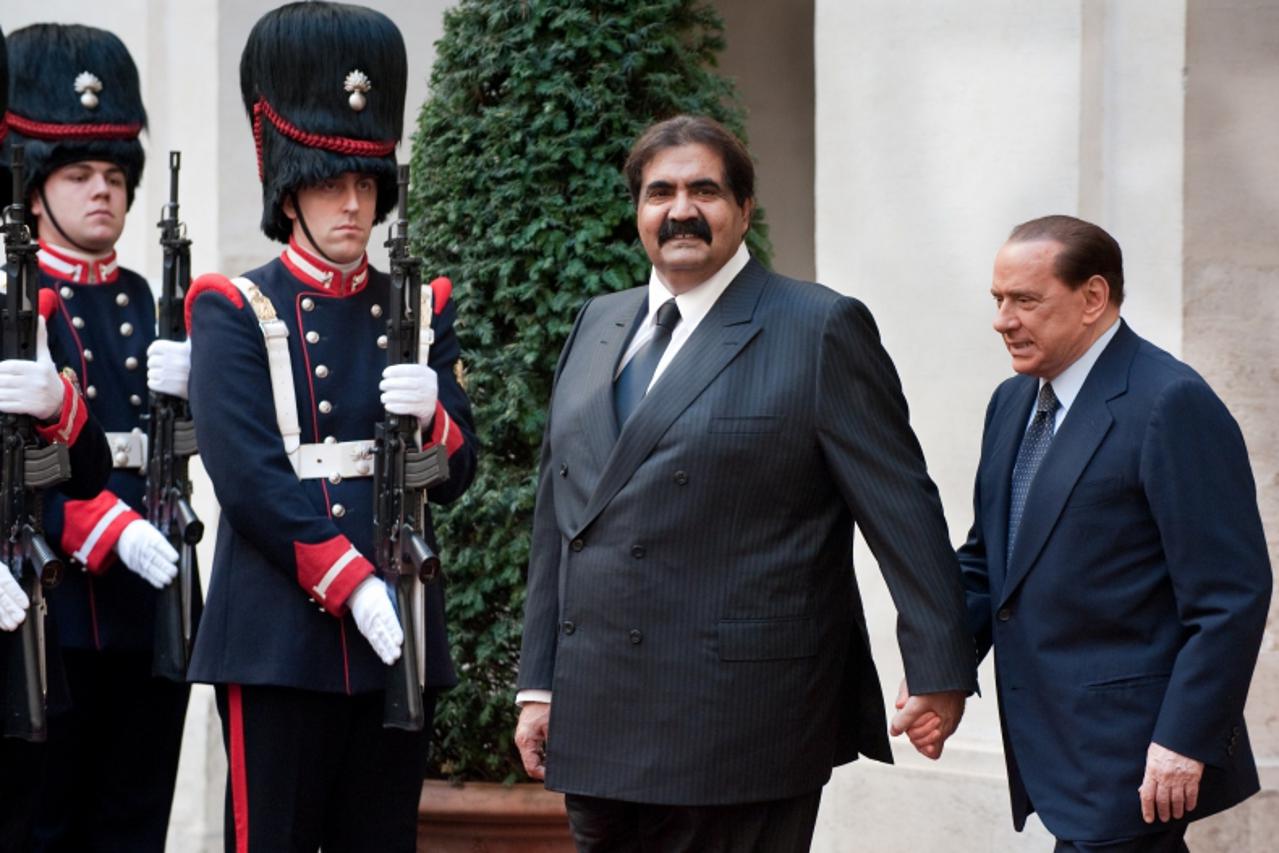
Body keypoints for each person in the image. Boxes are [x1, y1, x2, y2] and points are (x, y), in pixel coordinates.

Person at [513, 114, 977, 852]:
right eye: (659, 192)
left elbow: (901, 507)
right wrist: (538, 684)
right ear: (636, 210)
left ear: (743, 210)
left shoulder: (816, 327)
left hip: (739, 722)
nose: (680, 209)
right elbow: (559, 520)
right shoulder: (596, 323)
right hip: (598, 718)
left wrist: (939, 667)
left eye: (705, 189)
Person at [184, 3, 476, 851]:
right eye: (328, 182)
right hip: (281, 626)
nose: (353, 205)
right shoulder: (233, 307)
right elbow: (248, 479)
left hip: (402, 624)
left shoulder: (421, 307)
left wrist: (434, 424)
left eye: (365, 184)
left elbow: (458, 475)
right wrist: (348, 582)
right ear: (289, 187)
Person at [936, 215, 1271, 851]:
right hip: (1052, 747)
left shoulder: (1171, 402)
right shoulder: (1012, 403)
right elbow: (989, 563)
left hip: (1135, 755)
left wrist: (1184, 740)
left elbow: (1231, 594)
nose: (1003, 320)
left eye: (1026, 300)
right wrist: (941, 669)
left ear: (1093, 298)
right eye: (998, 300)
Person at [1, 23, 195, 852]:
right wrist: (81, 523)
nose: (102, 192)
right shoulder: (11, 293)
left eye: (114, 174)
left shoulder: (146, 291)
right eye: (77, 173)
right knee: (39, 821)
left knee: (132, 817)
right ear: (35, 187)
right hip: (49, 601)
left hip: (142, 602)